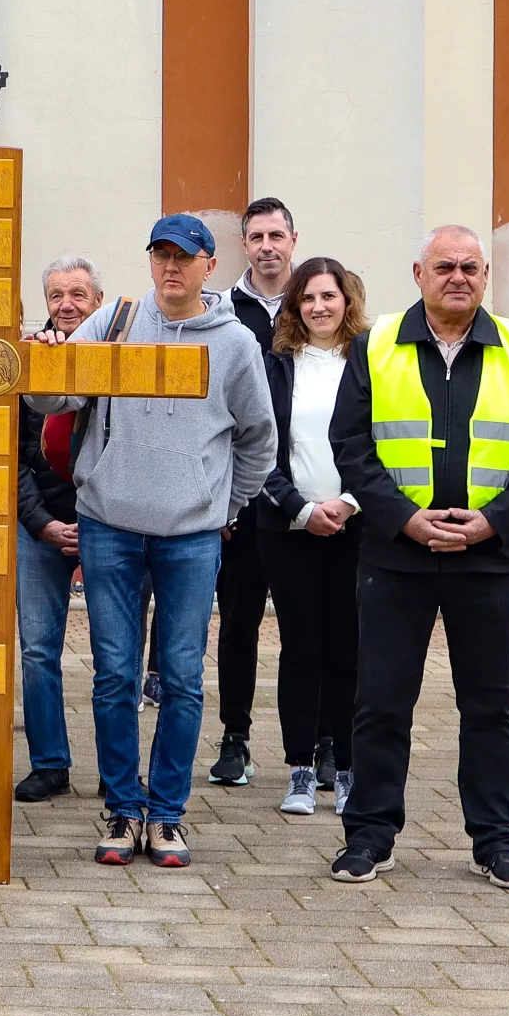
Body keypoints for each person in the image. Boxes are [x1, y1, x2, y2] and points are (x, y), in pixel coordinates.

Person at [34, 214, 275, 870]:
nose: (171, 267)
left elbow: (258, 436)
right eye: (160, 255)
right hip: (110, 525)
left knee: (182, 677)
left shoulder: (233, 342)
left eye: (184, 257)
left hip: (192, 535)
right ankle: (121, 805)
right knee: (113, 673)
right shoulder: (115, 319)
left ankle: (166, 813)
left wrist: (224, 503)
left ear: (207, 264)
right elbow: (48, 397)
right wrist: (40, 359)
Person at [330, 224, 509, 889]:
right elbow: (349, 444)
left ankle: (496, 841)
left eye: (470, 266)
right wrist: (405, 519)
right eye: (444, 266)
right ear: (418, 273)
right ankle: (370, 836)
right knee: (380, 702)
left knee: (490, 707)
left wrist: (494, 521)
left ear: (485, 276)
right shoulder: (374, 346)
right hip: (395, 555)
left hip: (487, 557)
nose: (457, 276)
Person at [256, 257, 367, 817]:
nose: (320, 307)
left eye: (330, 296)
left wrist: (348, 503)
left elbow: (387, 445)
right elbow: (257, 449)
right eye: (308, 299)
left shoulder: (371, 362)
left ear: (348, 301)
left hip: (357, 525)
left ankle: (346, 772)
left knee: (349, 651)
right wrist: (301, 509)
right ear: (295, 307)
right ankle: (300, 772)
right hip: (290, 528)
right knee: (301, 649)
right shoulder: (275, 366)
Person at [208, 196, 298, 789]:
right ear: (244, 245)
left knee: (305, 626)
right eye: (256, 237)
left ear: (293, 239)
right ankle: (234, 738)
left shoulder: (318, 301)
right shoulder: (221, 311)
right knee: (237, 623)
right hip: (240, 498)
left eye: (276, 235)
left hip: (303, 498)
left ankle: (313, 738)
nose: (267, 246)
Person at [11, 252, 104, 804]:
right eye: (56, 296)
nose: (66, 305)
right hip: (39, 525)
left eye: (78, 295)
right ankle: (49, 763)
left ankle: (118, 768)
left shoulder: (121, 355)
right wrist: (43, 523)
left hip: (110, 524)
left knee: (114, 654)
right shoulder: (26, 360)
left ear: (98, 300)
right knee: (38, 648)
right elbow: (15, 454)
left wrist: (92, 522)